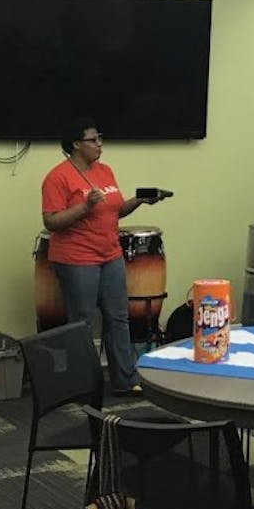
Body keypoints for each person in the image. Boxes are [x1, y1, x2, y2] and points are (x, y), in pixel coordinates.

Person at [41, 118, 165, 395]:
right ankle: (82, 384)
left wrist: (139, 201)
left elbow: (115, 211)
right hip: (76, 257)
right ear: (76, 144)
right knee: (81, 321)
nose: (100, 144)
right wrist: (84, 207)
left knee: (118, 317)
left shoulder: (104, 171)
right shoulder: (58, 177)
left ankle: (125, 379)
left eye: (100, 138)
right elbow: (52, 221)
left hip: (110, 253)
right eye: (93, 139)